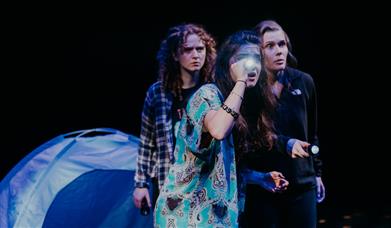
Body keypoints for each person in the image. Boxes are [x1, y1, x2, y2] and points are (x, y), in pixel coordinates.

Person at [154, 30, 288, 227]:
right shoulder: (207, 95)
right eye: (242, 58)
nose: (250, 66)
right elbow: (218, 129)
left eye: (255, 59)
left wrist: (259, 178)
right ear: (227, 64)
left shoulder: (240, 105)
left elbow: (222, 166)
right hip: (184, 214)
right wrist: (241, 81)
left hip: (217, 217)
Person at [241, 20, 325, 227]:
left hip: (301, 184)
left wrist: (317, 174)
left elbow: (311, 131)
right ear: (257, 52)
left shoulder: (303, 82)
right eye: (270, 46)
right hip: (264, 186)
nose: (279, 51)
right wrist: (285, 144)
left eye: (282, 44)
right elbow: (251, 136)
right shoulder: (249, 88)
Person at [133, 23, 217, 211]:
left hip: (205, 183)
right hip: (169, 182)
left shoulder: (214, 91)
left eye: (200, 49)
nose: (196, 55)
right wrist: (141, 184)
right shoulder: (158, 93)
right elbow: (147, 142)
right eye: (188, 50)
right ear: (175, 55)